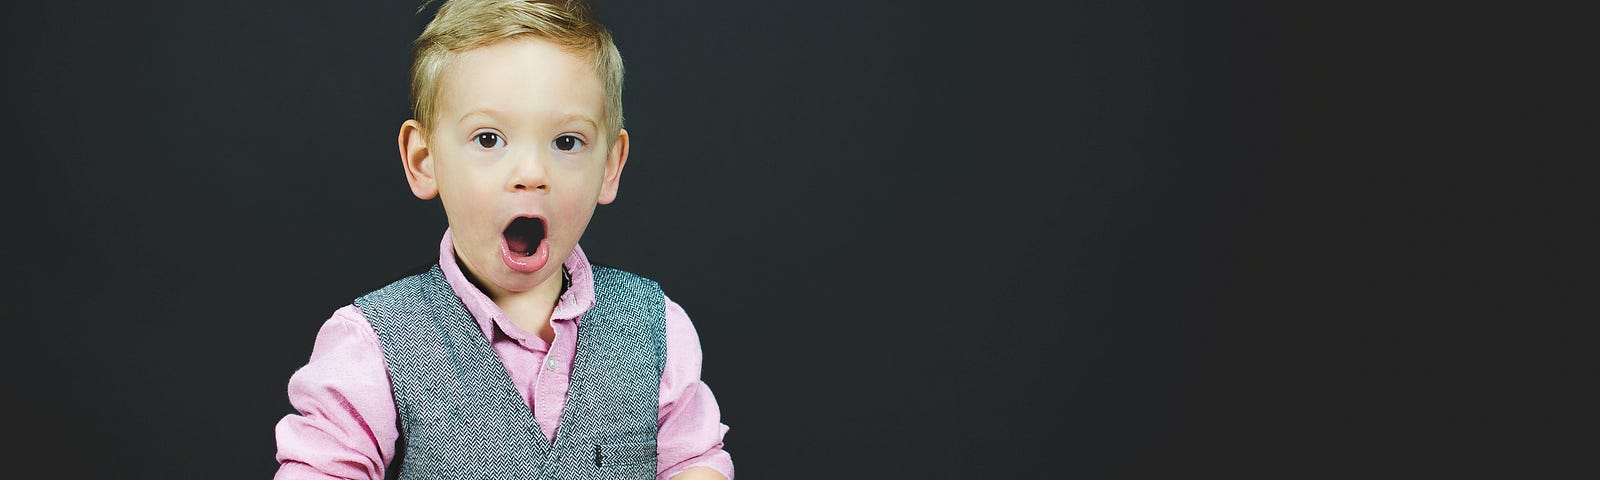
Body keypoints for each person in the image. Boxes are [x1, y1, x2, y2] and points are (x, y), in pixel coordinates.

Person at [272, 1, 733, 478]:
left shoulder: (656, 328)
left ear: (610, 168)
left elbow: (694, 460)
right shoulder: (373, 344)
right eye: (489, 139)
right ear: (424, 159)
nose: (531, 174)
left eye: (566, 142)